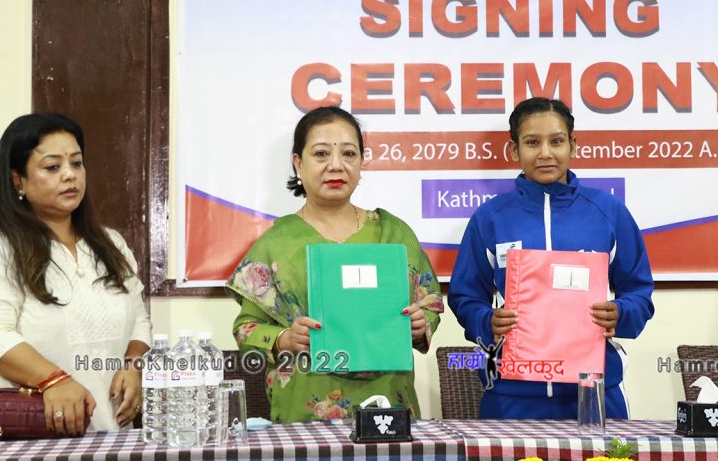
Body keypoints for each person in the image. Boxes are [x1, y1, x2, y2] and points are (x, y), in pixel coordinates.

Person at [226, 106, 444, 423]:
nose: (336, 165)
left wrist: (420, 325)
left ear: (361, 161)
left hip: (386, 407)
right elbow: (246, 329)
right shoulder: (275, 244)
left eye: (349, 153)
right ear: (298, 162)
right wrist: (284, 338)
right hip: (305, 409)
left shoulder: (392, 234)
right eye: (321, 153)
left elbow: (429, 304)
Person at [448, 97, 655, 419]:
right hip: (511, 395)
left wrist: (621, 313)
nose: (545, 153)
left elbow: (639, 292)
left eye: (556, 141)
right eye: (532, 143)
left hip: (593, 390)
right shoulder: (490, 218)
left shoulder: (608, 212)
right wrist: (487, 320)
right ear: (514, 150)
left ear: (573, 145)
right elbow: (465, 296)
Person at [0, 113, 152, 434]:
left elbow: (139, 319)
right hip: (27, 432)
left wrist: (134, 367)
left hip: (110, 429)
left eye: (77, 163)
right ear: (17, 180)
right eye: (52, 167)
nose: (70, 175)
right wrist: (53, 380)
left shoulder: (111, 243)